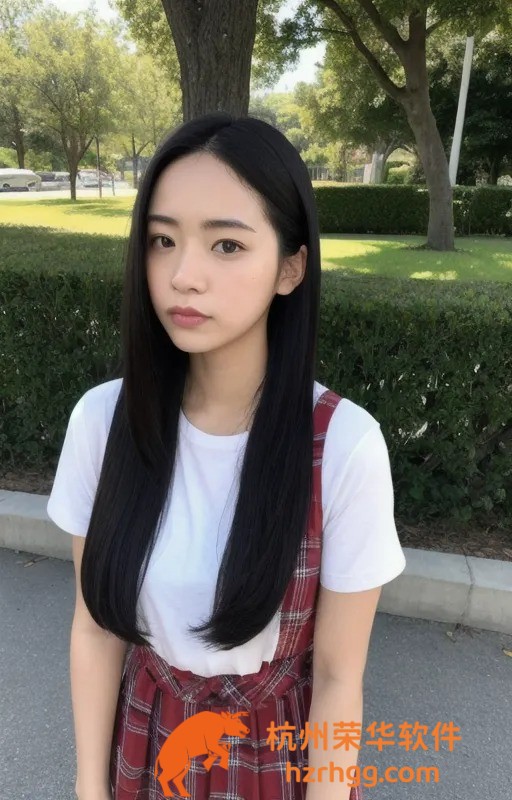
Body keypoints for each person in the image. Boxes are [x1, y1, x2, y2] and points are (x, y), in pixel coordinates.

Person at [46, 112, 406, 800]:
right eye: (163, 240)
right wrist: (89, 788)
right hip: (145, 748)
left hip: (277, 760)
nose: (183, 276)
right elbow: (96, 630)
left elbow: (337, 677)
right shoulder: (103, 423)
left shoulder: (343, 446)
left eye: (227, 245)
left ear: (291, 267)